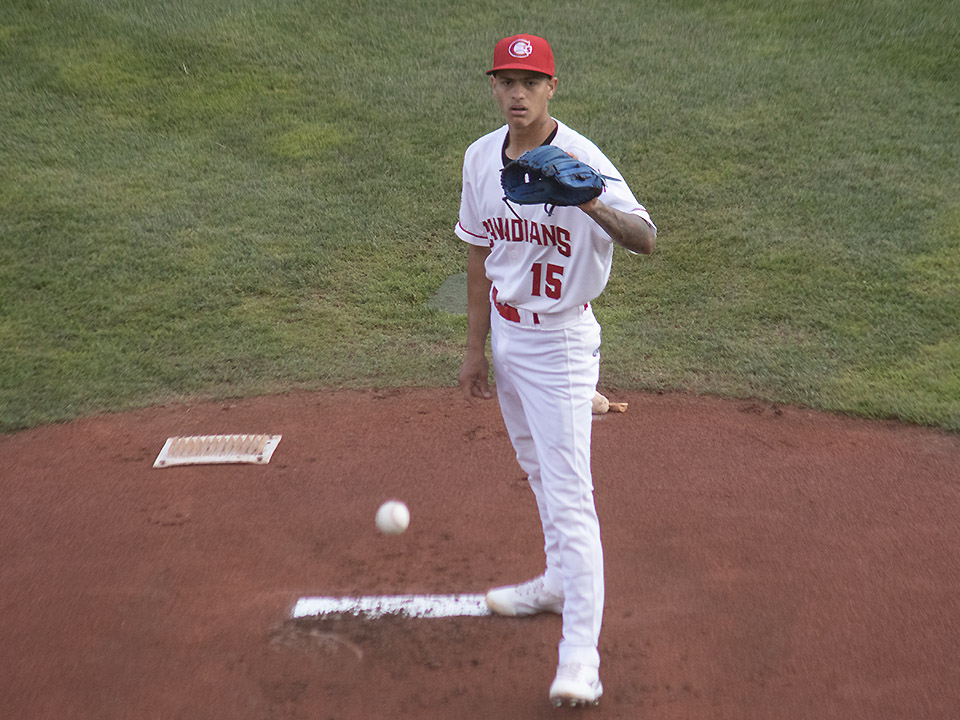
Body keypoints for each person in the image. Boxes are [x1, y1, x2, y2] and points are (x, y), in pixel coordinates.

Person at [455, 33, 657, 707]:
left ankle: (581, 660)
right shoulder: (481, 159)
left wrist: (588, 200)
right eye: (505, 80)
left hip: (565, 345)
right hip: (510, 341)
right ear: (493, 86)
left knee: (573, 497)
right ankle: (553, 583)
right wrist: (473, 349)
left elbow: (646, 239)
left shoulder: (582, 158)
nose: (516, 93)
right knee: (539, 472)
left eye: (529, 81)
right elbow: (479, 257)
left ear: (551, 88)